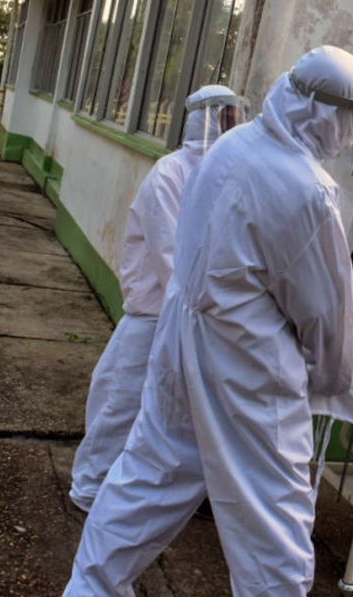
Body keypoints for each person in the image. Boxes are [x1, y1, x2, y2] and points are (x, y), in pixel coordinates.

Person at [60, 46, 353, 597]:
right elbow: (325, 307)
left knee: (149, 472)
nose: (352, 133)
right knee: (270, 504)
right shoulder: (305, 190)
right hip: (247, 365)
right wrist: (332, 375)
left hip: (184, 341)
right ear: (319, 110)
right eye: (350, 117)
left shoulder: (232, 148)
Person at [69, 85, 248, 513]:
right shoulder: (170, 175)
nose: (230, 126)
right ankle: (90, 487)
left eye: (234, 117)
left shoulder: (231, 176)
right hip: (156, 315)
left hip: (203, 316)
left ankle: (167, 493)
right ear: (203, 119)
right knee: (120, 400)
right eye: (223, 117)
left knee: (184, 412)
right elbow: (173, 257)